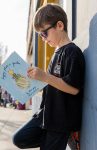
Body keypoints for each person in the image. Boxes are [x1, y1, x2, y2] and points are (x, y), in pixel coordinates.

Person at [12, 3, 85, 150]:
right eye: (40, 36)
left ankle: (65, 136)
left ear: (59, 25)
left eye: (44, 34)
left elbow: (74, 89)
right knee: (19, 138)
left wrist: (45, 77)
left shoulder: (72, 52)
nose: (43, 39)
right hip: (45, 115)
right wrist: (34, 81)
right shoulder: (55, 54)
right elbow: (52, 84)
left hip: (60, 121)